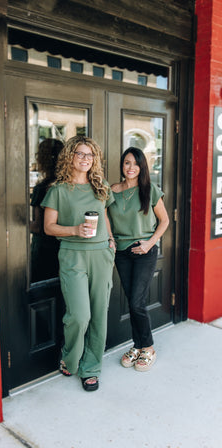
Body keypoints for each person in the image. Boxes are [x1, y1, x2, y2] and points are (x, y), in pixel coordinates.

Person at [42, 135, 115, 391]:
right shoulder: (58, 190)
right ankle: (70, 357)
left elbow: (105, 218)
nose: (86, 159)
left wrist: (112, 241)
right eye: (80, 154)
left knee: (98, 315)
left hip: (101, 255)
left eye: (90, 155)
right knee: (80, 315)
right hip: (73, 255)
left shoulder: (100, 186)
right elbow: (48, 227)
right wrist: (74, 230)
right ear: (70, 157)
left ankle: (91, 368)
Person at [108, 147, 169, 371]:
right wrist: (111, 239)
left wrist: (149, 243)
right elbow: (105, 218)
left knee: (136, 302)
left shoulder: (149, 190)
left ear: (142, 166)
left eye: (135, 163)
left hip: (144, 251)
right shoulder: (112, 190)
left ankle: (148, 348)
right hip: (122, 252)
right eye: (126, 163)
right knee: (133, 302)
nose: (131, 167)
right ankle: (138, 345)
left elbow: (164, 221)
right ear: (122, 165)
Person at [30, 138, 64, 282]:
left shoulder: (43, 188)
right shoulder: (68, 185)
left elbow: (38, 227)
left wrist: (18, 221)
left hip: (45, 252)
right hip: (64, 250)